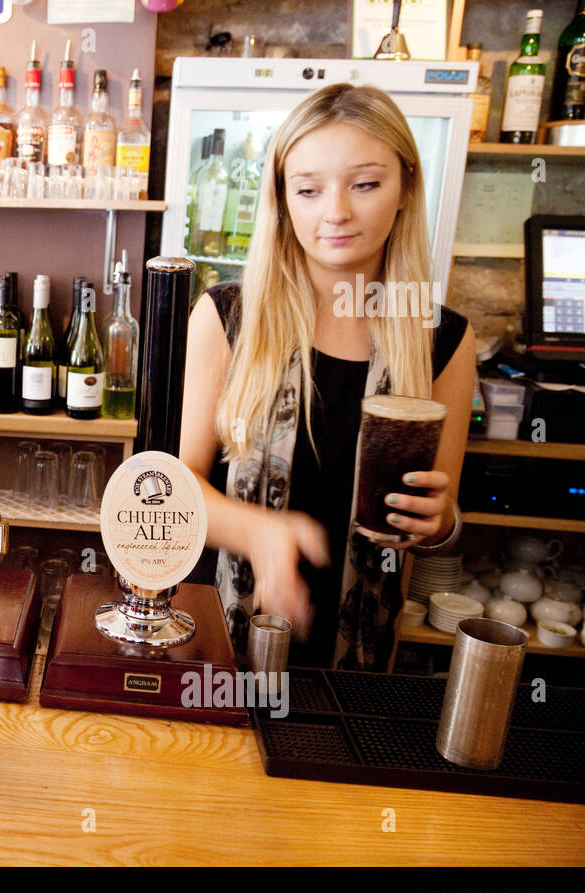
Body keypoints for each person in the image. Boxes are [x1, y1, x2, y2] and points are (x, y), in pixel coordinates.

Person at [179, 84, 475, 670]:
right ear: (283, 199)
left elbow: (439, 520)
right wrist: (262, 535)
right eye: (308, 189)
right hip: (224, 652)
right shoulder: (227, 316)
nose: (335, 211)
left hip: (359, 664)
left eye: (364, 184)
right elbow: (177, 493)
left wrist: (440, 524)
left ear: (405, 189)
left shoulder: (441, 338)